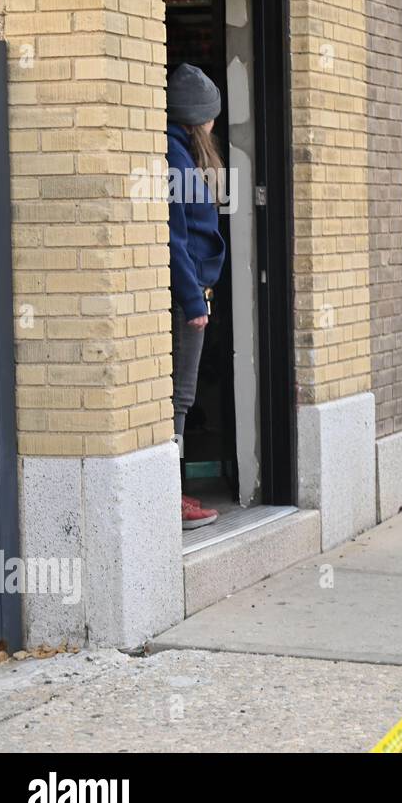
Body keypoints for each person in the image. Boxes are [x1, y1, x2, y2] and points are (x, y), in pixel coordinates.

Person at [167, 63, 227, 529]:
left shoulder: (179, 152)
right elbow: (177, 235)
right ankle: (173, 498)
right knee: (180, 398)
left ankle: (172, 494)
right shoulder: (179, 159)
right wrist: (193, 302)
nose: (214, 125)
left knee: (179, 397)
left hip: (190, 291)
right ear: (198, 118)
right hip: (186, 298)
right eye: (210, 117)